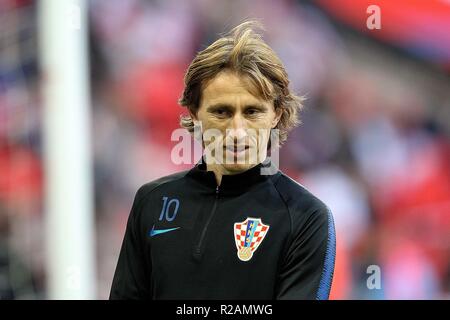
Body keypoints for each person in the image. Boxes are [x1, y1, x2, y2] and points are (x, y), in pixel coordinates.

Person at [110, 21, 336, 300]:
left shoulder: (305, 217)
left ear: (276, 114)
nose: (237, 131)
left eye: (252, 112)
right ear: (194, 113)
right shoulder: (152, 202)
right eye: (221, 112)